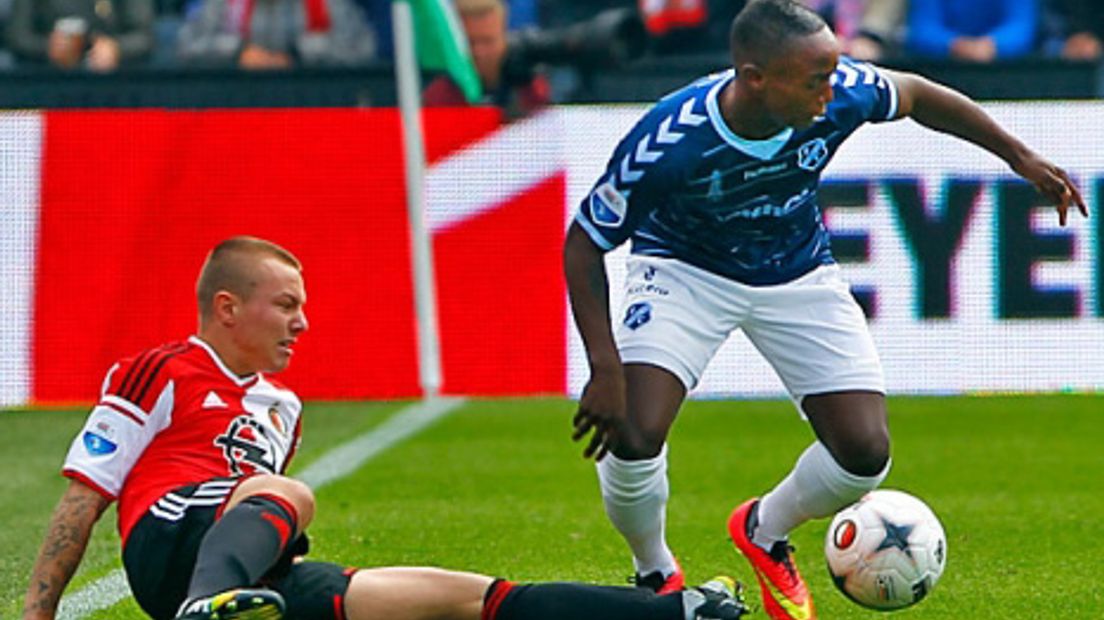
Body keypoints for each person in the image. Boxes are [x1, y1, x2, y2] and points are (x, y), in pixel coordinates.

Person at [563, 1, 1086, 619]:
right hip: (684, 271)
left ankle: (762, 529)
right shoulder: (671, 141)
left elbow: (917, 92)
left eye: (834, 72)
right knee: (635, 431)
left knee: (864, 454)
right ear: (756, 78)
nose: (832, 90)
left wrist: (1018, 156)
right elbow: (584, 242)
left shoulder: (841, 92)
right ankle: (655, 572)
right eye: (816, 79)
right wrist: (605, 366)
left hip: (796, 269)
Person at [21, 236, 751, 620]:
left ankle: (673, 611)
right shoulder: (161, 369)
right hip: (169, 545)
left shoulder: (284, 408)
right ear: (227, 307)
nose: (301, 322)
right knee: (286, 492)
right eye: (285, 305)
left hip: (253, 575)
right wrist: (37, 613)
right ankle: (201, 611)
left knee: (460, 598)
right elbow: (84, 500)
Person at [423, 0, 551, 119]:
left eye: (487, 41)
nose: (479, 52)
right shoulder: (440, 95)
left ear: (504, 37)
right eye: (470, 43)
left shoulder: (528, 84)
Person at [177, 0, 376, 69]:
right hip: (237, 109)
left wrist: (298, 52)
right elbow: (187, 45)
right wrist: (239, 51)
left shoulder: (327, 3)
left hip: (312, 108)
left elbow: (363, 47)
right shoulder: (225, 3)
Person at [5, 0, 154, 71]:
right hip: (43, 79)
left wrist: (117, 48)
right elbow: (17, 36)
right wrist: (46, 48)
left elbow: (144, 37)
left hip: (112, 83)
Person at [905, 0, 1038, 62]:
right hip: (942, 74)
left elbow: (1021, 26)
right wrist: (954, 44)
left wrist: (991, 45)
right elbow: (923, 28)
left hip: (1005, 75)